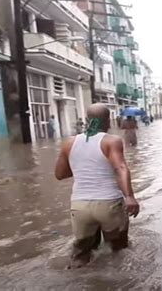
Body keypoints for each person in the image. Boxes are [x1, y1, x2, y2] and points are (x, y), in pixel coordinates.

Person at [54, 104, 140, 268]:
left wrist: (82, 166)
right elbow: (120, 167)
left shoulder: (69, 143)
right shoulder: (111, 141)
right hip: (109, 204)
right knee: (118, 251)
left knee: (81, 255)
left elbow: (60, 174)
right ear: (108, 120)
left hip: (79, 206)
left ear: (87, 120)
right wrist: (129, 196)